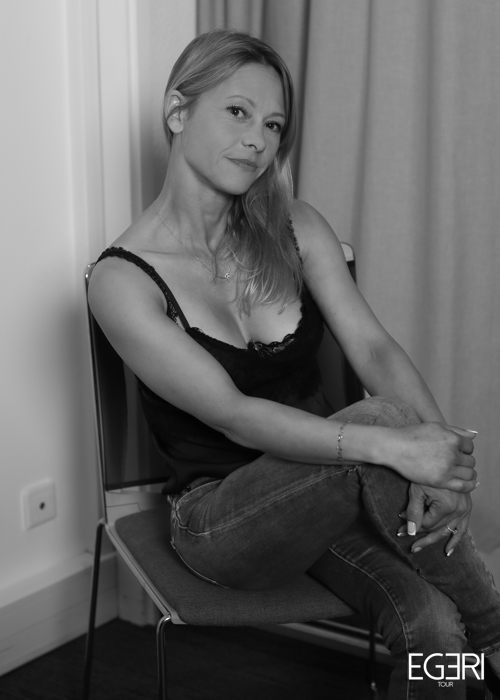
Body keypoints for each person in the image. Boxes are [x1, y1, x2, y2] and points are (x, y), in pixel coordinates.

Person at [88, 28, 500, 699]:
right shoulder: (122, 281)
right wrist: (403, 446)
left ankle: (472, 669)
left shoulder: (297, 227)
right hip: (220, 522)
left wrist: (444, 464)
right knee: (381, 425)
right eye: (238, 111)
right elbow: (235, 415)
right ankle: (497, 635)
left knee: (432, 625)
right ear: (177, 111)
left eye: (273, 124)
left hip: (330, 491)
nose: (257, 139)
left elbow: (374, 348)